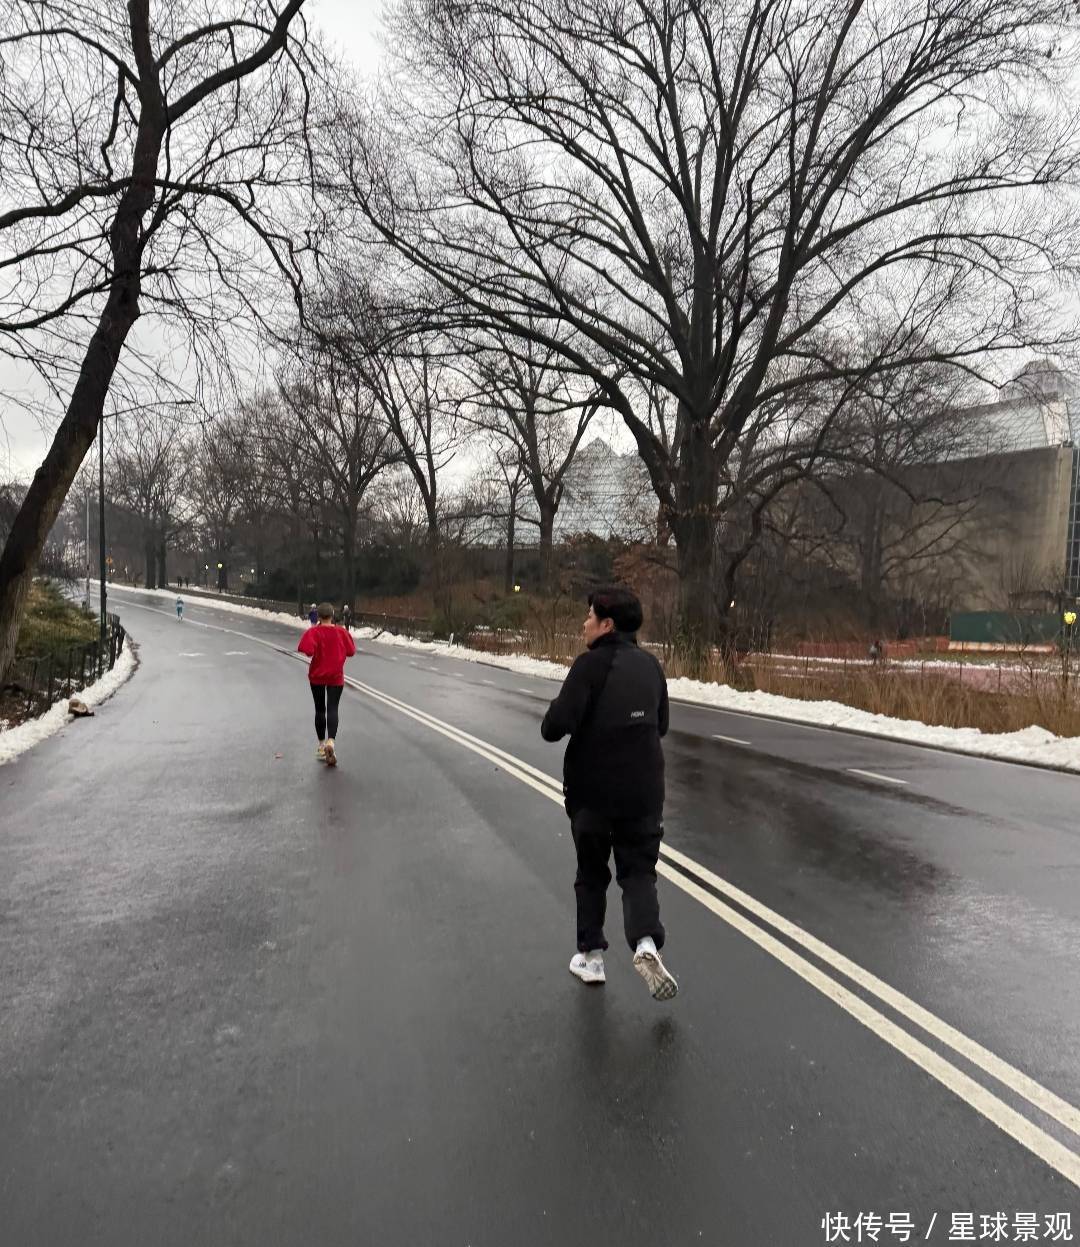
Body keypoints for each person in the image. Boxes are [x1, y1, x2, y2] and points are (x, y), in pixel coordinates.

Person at [540, 585, 677, 1001]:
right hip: (643, 794)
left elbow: (553, 728)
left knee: (592, 872)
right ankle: (646, 943)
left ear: (607, 624)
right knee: (638, 873)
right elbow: (662, 725)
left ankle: (592, 956)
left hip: (593, 793)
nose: (584, 623)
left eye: (589, 616)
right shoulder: (651, 667)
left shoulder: (589, 667)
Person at [297, 601, 357, 767]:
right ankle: (331, 741)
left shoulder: (313, 632)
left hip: (317, 676)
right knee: (332, 709)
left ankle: (321, 745)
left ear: (318, 616)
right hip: (336, 677)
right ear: (332, 615)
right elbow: (351, 651)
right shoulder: (341, 632)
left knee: (320, 709)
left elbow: (306, 650)